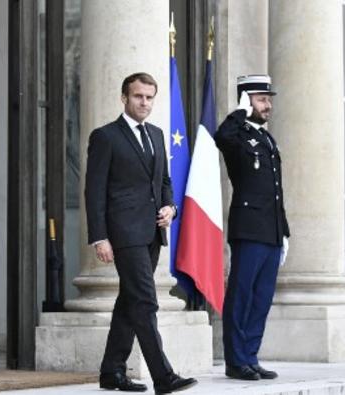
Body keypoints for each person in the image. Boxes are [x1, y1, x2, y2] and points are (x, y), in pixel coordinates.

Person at [85, 72, 197, 394]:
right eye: (138, 96)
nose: (144, 102)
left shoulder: (157, 135)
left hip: (152, 232)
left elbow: (163, 182)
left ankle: (112, 372)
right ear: (124, 98)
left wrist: (170, 207)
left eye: (149, 97)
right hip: (124, 234)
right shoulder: (105, 136)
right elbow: (94, 191)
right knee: (146, 300)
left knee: (129, 301)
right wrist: (99, 236)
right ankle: (163, 376)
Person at [215, 75, 290, 381]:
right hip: (248, 229)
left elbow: (276, 190)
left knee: (262, 297)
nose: (268, 104)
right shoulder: (238, 136)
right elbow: (221, 137)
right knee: (242, 295)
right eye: (261, 99)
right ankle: (235, 360)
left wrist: (283, 231)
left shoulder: (266, 139)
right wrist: (239, 112)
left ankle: (251, 356)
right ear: (246, 100)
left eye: (268, 98)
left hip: (270, 230)